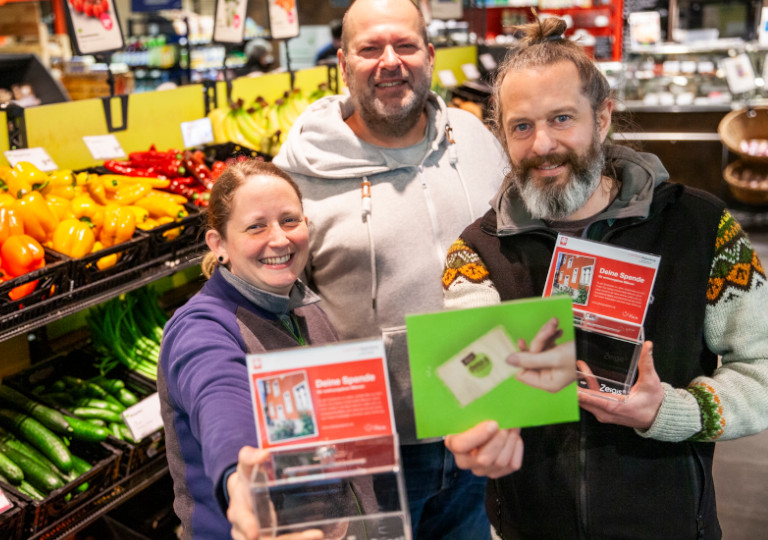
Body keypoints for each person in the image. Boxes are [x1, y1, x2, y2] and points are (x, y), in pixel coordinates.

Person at [441, 17, 768, 539]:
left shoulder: (701, 228)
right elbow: (470, 388)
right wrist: (478, 425)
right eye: (521, 126)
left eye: (563, 118)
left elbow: (762, 369)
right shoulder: (476, 253)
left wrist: (675, 410)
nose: (543, 144)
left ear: (604, 116)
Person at [274, 0, 507, 537]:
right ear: (342, 62)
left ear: (429, 54)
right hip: (366, 445)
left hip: (478, 414)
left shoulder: (473, 140)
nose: (389, 62)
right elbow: (272, 301)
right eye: (370, 48)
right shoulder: (298, 173)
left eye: (404, 46)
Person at [158, 161, 360, 539]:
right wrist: (241, 481)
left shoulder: (301, 304)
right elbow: (219, 400)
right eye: (256, 226)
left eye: (289, 220)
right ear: (219, 245)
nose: (280, 239)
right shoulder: (201, 328)